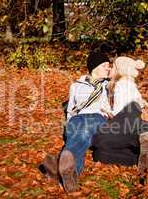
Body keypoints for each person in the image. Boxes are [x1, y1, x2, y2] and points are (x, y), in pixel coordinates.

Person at [92, 56, 148, 182]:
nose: (110, 68)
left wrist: (106, 111)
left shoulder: (121, 85)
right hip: (139, 122)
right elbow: (140, 103)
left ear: (121, 70)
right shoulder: (128, 84)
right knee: (100, 154)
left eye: (113, 66)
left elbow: (120, 111)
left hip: (132, 122)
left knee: (98, 140)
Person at [42, 51, 111, 193]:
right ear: (95, 67)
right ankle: (69, 175)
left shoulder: (107, 86)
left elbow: (122, 82)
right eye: (105, 65)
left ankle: (58, 164)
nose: (108, 68)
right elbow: (71, 110)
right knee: (81, 131)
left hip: (97, 118)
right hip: (76, 119)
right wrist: (69, 127)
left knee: (85, 128)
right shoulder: (76, 85)